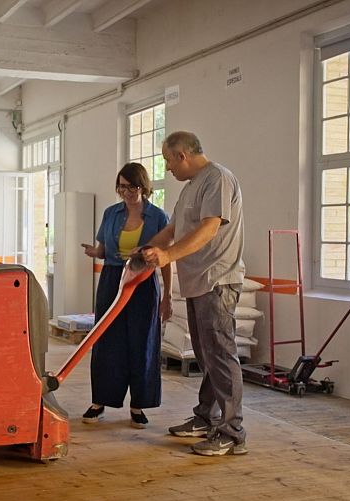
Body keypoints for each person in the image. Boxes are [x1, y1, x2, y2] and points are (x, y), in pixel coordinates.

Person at [142, 131, 247, 456]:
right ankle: (206, 417)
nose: (167, 168)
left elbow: (210, 227)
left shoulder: (218, 179)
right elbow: (172, 230)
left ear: (182, 155)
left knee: (221, 355)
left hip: (217, 280)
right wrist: (145, 250)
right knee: (206, 355)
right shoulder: (190, 188)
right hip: (198, 282)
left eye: (168, 161)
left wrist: (168, 256)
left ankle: (232, 433)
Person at [80, 162, 172, 429]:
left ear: (143, 187)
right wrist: (94, 252)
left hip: (143, 281)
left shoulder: (158, 217)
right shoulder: (111, 213)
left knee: (142, 342)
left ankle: (138, 405)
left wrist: (166, 297)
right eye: (121, 188)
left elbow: (166, 258)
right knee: (106, 340)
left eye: (132, 187)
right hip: (112, 279)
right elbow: (103, 249)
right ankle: (100, 401)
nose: (126, 193)